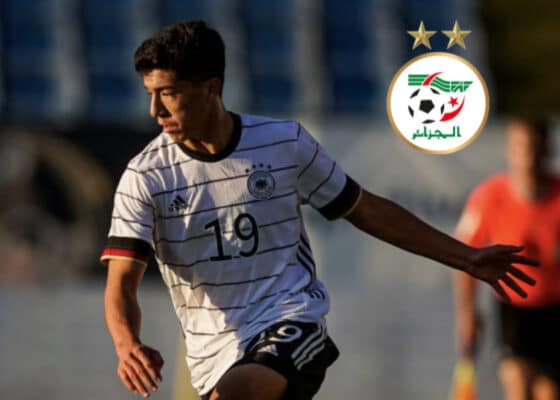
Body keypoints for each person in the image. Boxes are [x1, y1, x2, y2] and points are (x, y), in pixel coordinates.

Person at [101, 21, 538, 400]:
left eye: (168, 93)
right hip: (213, 355)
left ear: (211, 87)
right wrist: (126, 343)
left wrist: (467, 258)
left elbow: (365, 210)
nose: (154, 110)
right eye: (150, 94)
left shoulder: (283, 143)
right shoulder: (145, 177)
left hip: (291, 322)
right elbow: (121, 282)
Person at [454, 118, 560, 400]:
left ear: (547, 150)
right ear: (510, 152)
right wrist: (467, 310)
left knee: (548, 392)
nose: (528, 157)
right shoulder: (489, 196)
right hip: (513, 308)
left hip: (554, 309)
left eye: (535, 148)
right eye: (521, 147)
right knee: (517, 382)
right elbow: (465, 253)